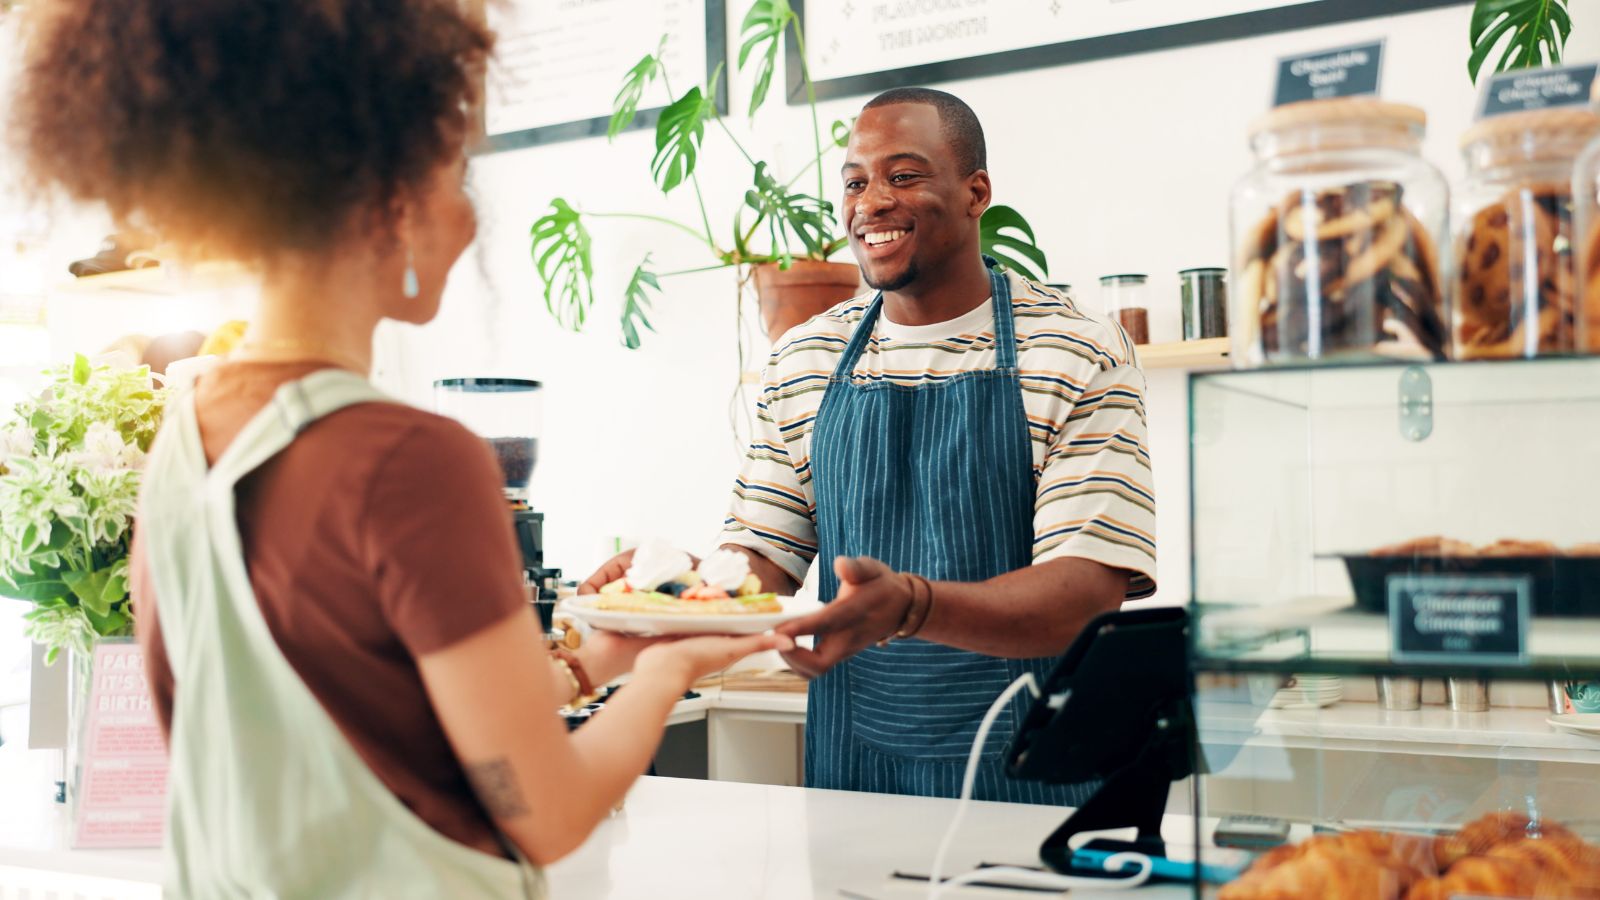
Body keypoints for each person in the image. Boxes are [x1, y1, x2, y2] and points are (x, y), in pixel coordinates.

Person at [11, 2, 785, 897]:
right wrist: (672, 670)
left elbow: (364, 710)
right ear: (386, 202)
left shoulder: (181, 439)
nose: (465, 223)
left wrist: (596, 661)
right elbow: (549, 811)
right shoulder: (414, 460)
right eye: (456, 178)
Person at [583, 87, 1156, 804]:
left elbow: (1085, 594)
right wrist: (667, 584)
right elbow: (762, 560)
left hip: (1032, 777)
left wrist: (911, 604)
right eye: (855, 181)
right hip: (853, 779)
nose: (871, 201)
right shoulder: (805, 358)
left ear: (976, 191)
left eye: (904, 175)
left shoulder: (1075, 350)